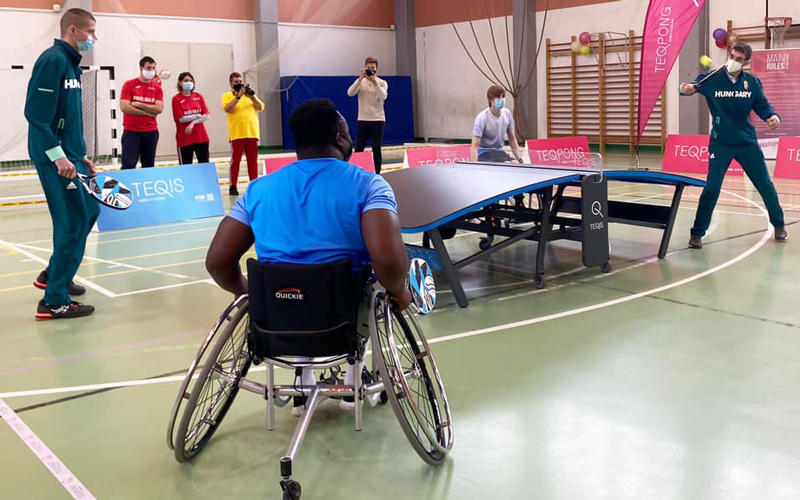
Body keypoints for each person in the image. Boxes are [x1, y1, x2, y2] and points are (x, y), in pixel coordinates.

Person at [205, 98, 411, 415]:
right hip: (342, 316)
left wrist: (247, 292)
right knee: (372, 289)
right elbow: (388, 261)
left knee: (294, 289)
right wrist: (400, 291)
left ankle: (303, 379)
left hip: (277, 315)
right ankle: (353, 379)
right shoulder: (369, 185)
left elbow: (217, 261)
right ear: (340, 137)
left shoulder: (258, 189)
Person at [25, 8, 99, 319]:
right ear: (72, 30)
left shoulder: (71, 65)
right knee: (73, 221)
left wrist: (79, 155)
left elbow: (66, 116)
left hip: (71, 156)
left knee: (90, 210)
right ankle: (54, 300)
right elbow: (36, 114)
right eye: (90, 32)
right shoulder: (52, 60)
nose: (93, 38)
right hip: (54, 158)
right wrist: (58, 156)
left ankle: (55, 274)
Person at [679, 41, 787, 248]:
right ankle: (697, 233)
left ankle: (779, 224)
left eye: (738, 59)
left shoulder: (752, 83)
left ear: (746, 62)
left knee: (765, 185)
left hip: (747, 143)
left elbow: (763, 106)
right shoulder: (712, 78)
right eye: (731, 56)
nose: (733, 61)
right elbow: (687, 88)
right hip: (721, 143)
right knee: (711, 189)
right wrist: (685, 88)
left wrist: (773, 117)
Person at [222, 72, 264, 196]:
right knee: (236, 161)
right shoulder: (227, 96)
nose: (239, 84)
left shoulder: (249, 96)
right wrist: (238, 96)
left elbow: (260, 107)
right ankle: (233, 185)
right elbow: (227, 108)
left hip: (251, 133)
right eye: (236, 82)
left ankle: (254, 185)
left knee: (253, 161)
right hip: (237, 134)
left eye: (240, 81)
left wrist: (252, 96)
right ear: (231, 84)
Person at [119, 56, 164, 169]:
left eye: (153, 68)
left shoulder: (157, 88)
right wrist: (148, 113)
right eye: (148, 68)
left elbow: (159, 109)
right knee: (128, 165)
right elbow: (124, 107)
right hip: (132, 132)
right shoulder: (129, 84)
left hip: (151, 132)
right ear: (141, 68)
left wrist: (140, 105)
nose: (151, 70)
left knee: (148, 166)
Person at [347, 57, 388, 174]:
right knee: (359, 147)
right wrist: (359, 79)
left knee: (376, 147)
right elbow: (350, 93)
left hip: (378, 120)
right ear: (364, 68)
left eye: (373, 68)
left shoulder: (382, 83)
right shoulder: (361, 82)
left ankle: (377, 173)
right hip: (363, 119)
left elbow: (383, 96)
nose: (370, 70)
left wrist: (375, 82)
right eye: (368, 68)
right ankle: (356, 172)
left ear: (377, 69)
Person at [470, 84, 523, 163]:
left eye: (503, 96)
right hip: (483, 153)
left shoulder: (507, 114)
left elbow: (512, 139)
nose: (501, 99)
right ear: (490, 100)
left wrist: (520, 159)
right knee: (506, 163)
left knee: (514, 163)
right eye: (498, 97)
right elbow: (475, 145)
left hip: (499, 152)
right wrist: (474, 164)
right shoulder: (482, 118)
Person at [171, 72, 210, 164]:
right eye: (185, 80)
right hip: (185, 139)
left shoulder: (198, 96)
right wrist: (197, 116)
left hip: (201, 137)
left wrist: (193, 122)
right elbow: (181, 119)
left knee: (204, 165)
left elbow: (206, 115)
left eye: (190, 80)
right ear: (180, 83)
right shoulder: (176, 99)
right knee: (186, 167)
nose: (188, 82)